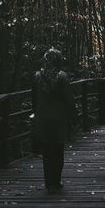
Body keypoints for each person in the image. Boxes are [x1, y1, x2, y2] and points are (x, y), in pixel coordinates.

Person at [32, 47, 77, 192]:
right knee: (58, 150)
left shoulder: (37, 76)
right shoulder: (63, 76)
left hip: (43, 118)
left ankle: (48, 182)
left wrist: (37, 112)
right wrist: (72, 115)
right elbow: (69, 99)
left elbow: (34, 98)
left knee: (47, 151)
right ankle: (56, 181)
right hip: (59, 118)